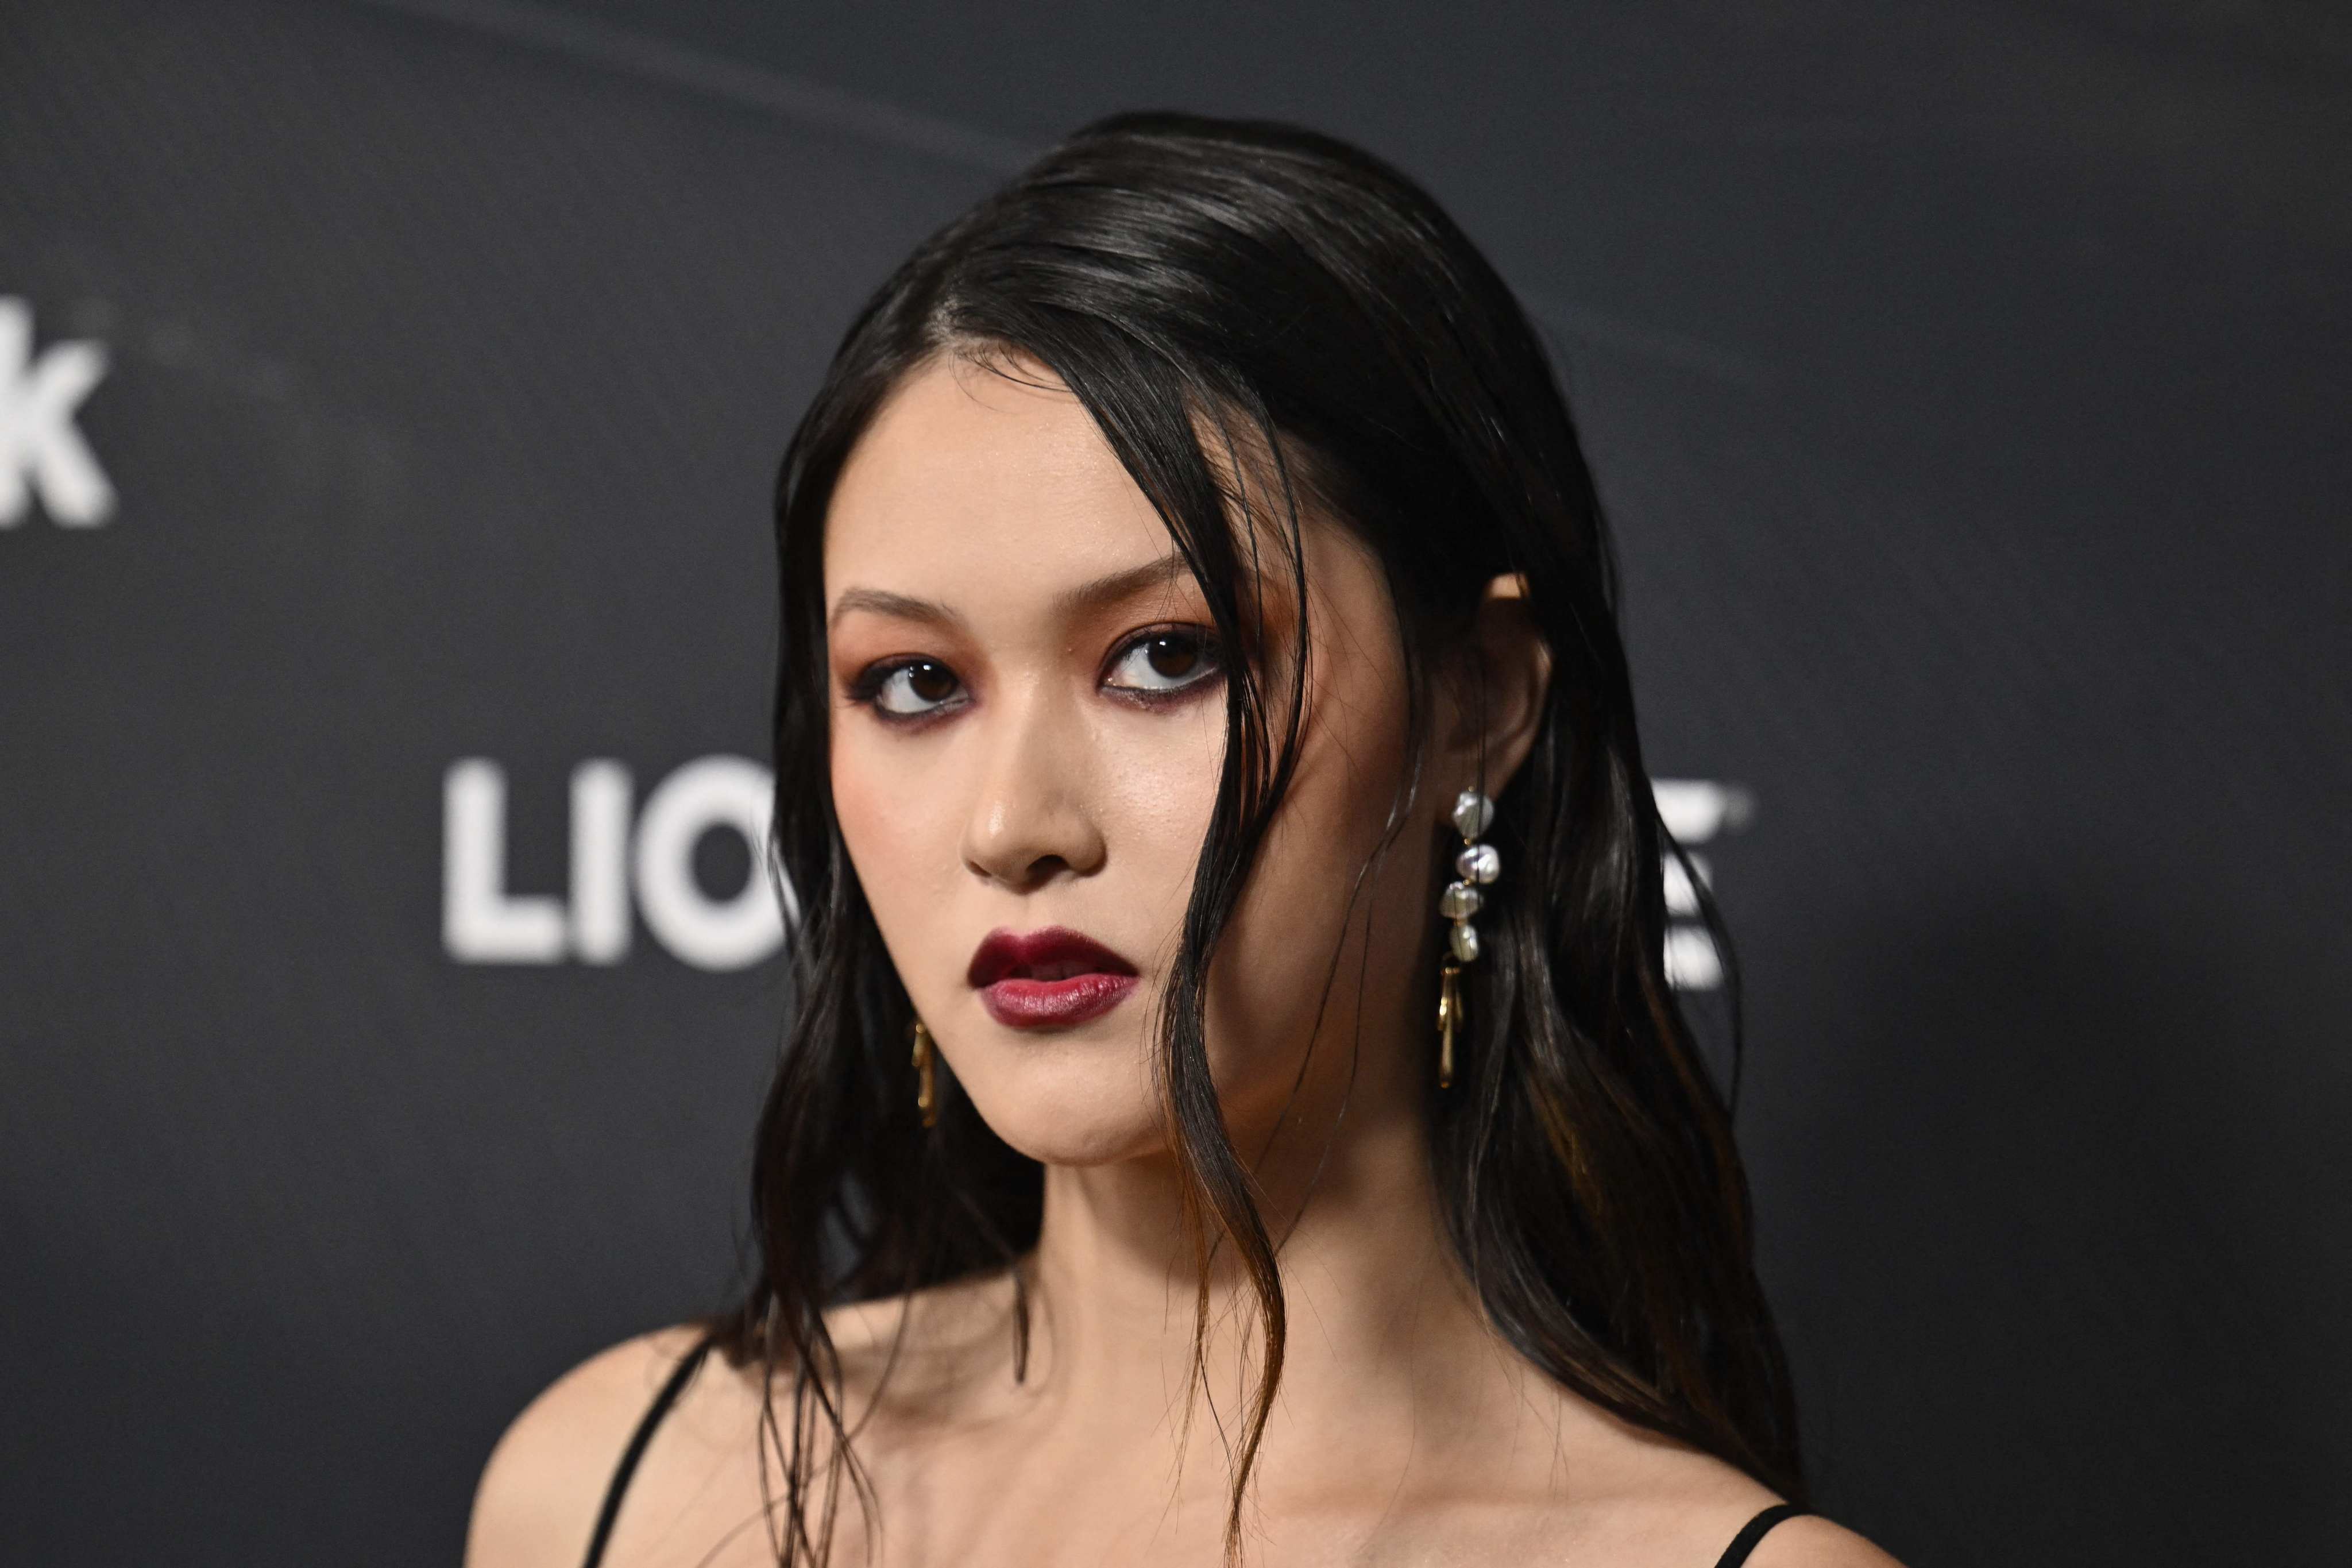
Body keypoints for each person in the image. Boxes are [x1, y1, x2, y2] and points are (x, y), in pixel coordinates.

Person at [465, 113, 1902, 1568]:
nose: (1014, 826)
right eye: (915, 684)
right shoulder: (619, 1495)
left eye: (1164, 657)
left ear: (1475, 697)